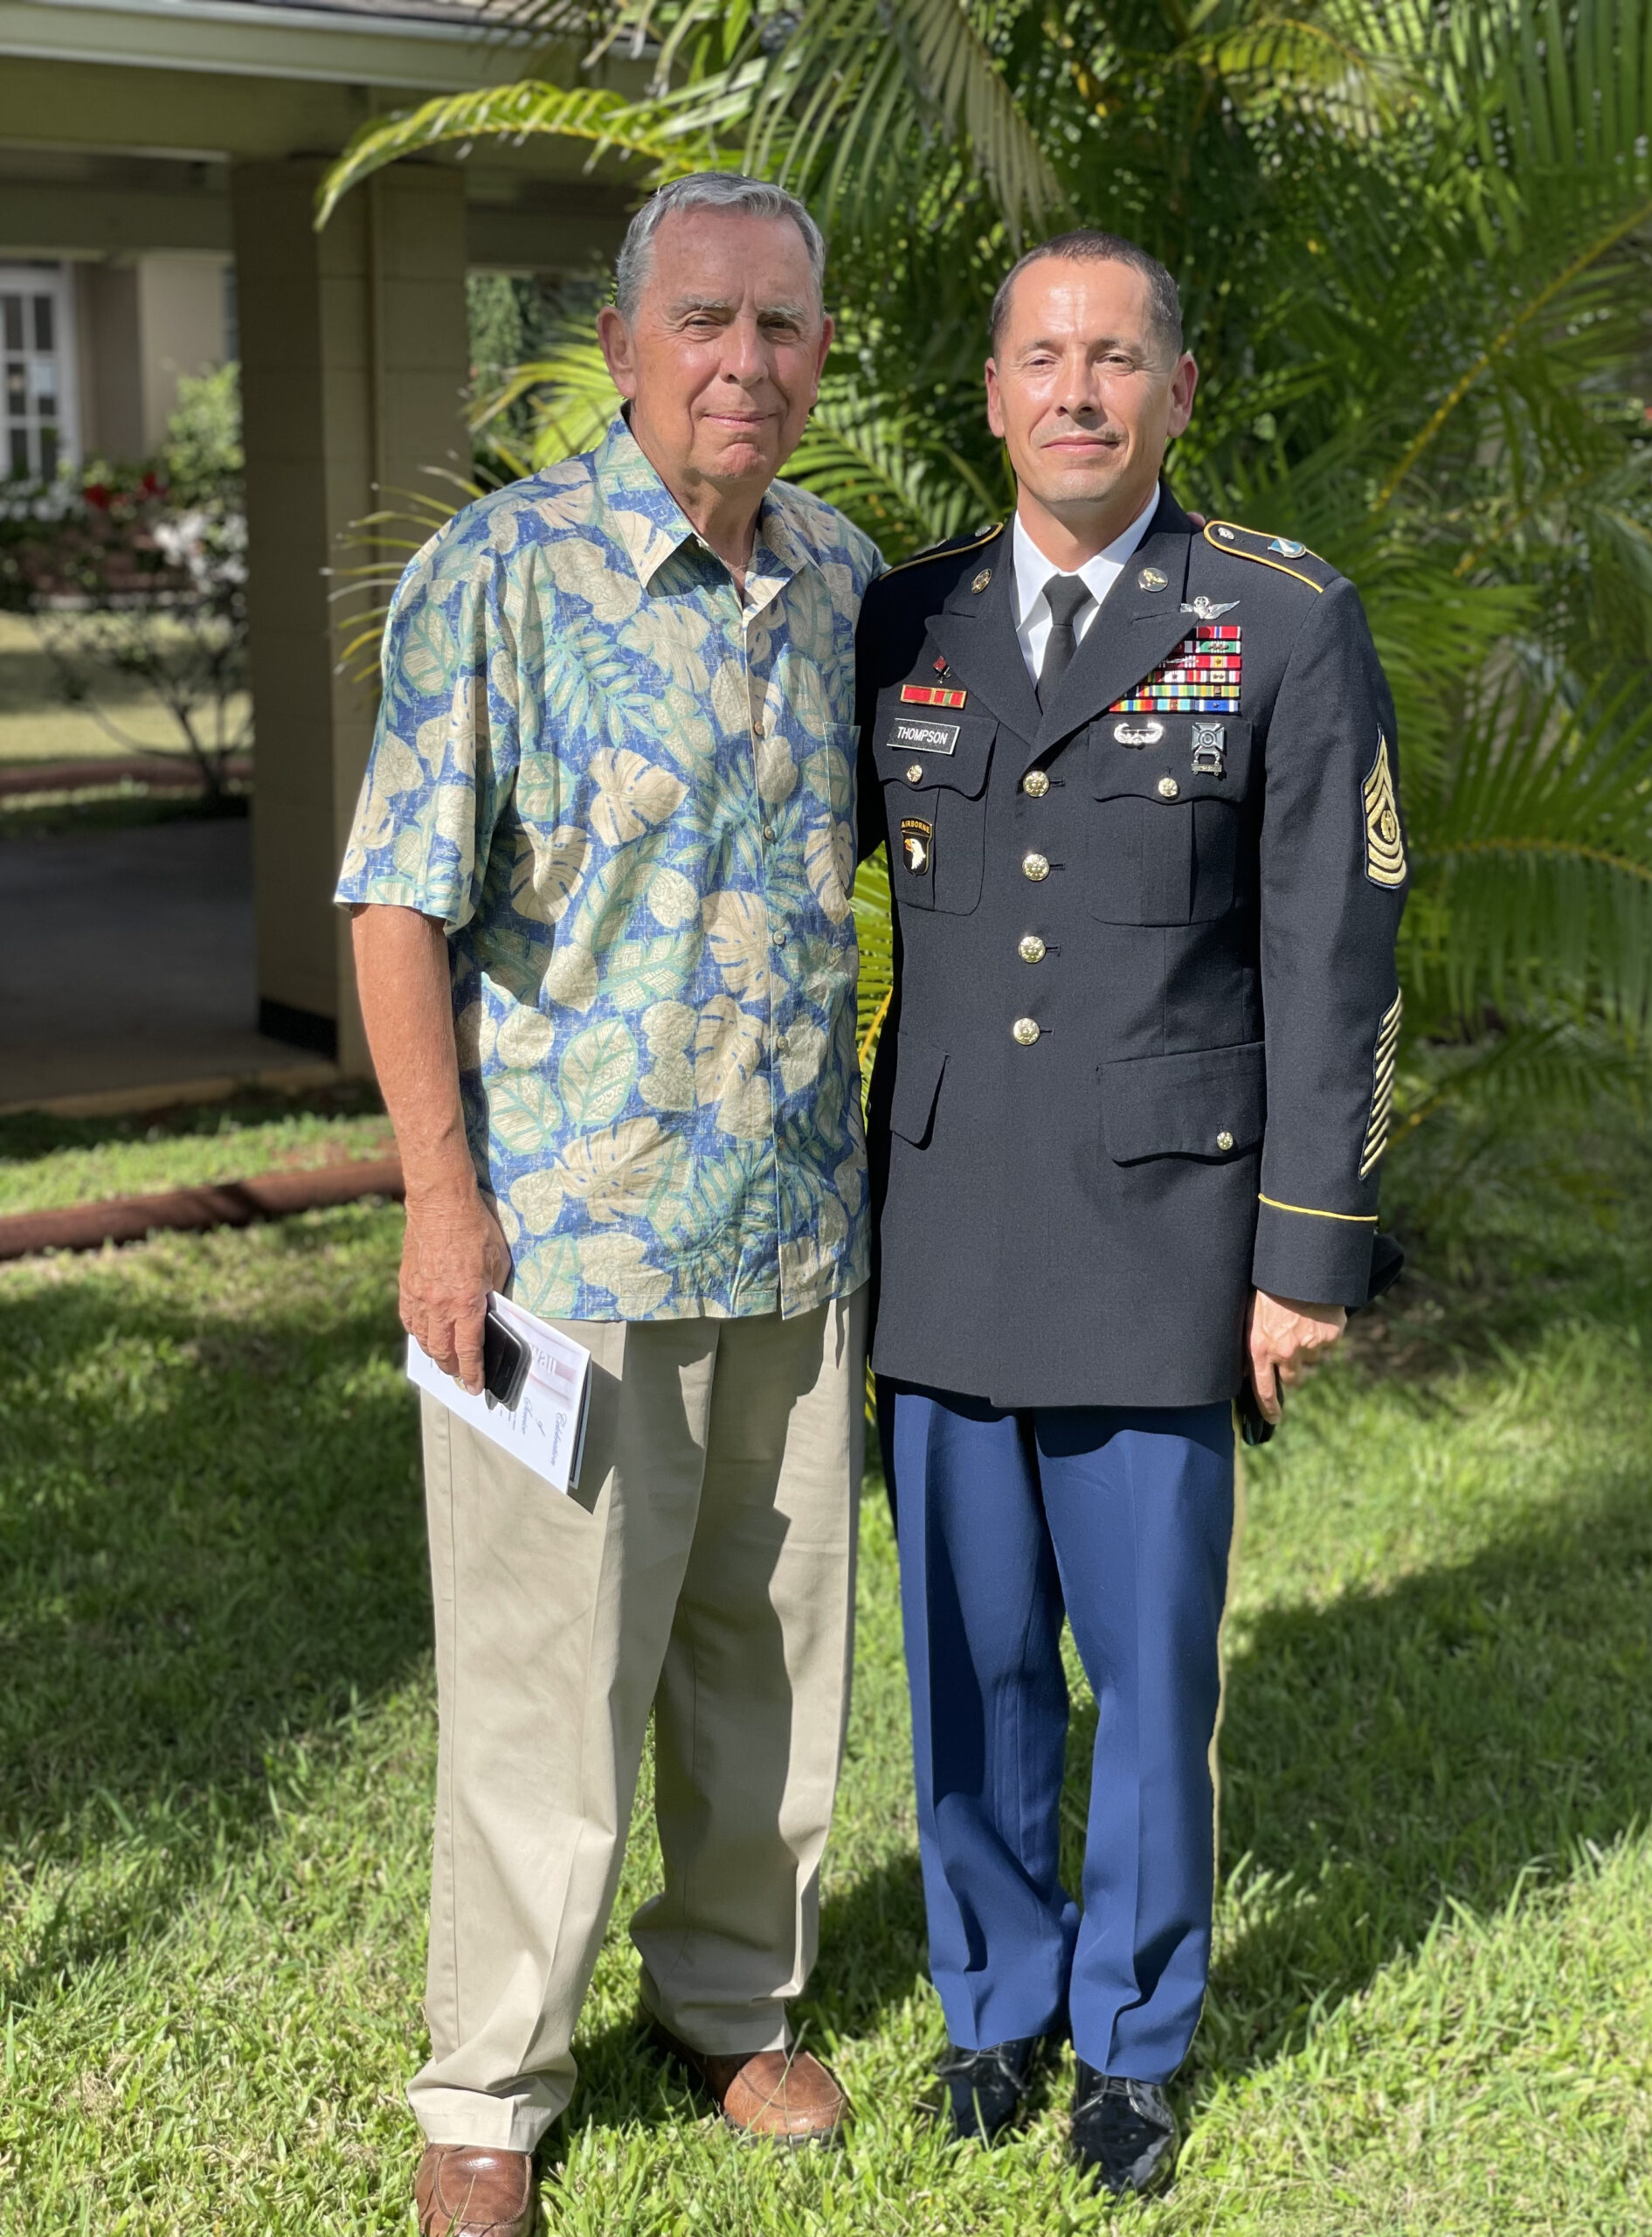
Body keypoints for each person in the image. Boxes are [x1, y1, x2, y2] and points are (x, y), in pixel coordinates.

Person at [337, 173, 881, 2237]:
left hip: (792, 1232)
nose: (748, 361)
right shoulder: (502, 572)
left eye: (786, 327)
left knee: (770, 1640)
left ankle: (733, 1992)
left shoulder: (840, 577)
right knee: (543, 1674)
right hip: (564, 1242)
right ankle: (488, 2078)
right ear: (624, 342)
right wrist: (439, 1201)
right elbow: (398, 897)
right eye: (709, 322)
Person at [855, 230, 1407, 2199]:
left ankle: (1135, 2039)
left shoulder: (1274, 619)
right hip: (939, 1229)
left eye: (1116, 357)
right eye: (1041, 357)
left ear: (1178, 391)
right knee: (969, 1650)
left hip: (1160, 1245)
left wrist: (1303, 1251)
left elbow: (1334, 958)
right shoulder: (898, 619)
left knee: (1147, 1677)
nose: (1076, 391)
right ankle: (993, 2005)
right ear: (990, 396)